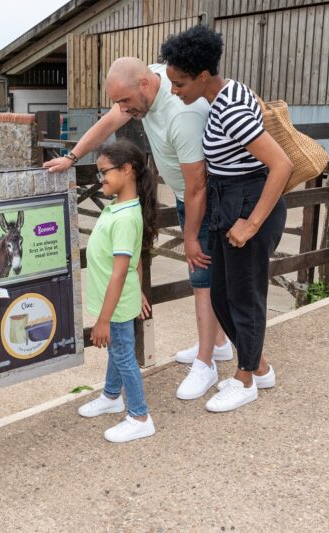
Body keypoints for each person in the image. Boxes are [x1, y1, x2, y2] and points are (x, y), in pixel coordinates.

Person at [45, 57, 232, 402]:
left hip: (203, 197)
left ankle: (206, 364)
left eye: (125, 102)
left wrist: (190, 236)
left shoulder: (182, 115)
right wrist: (72, 157)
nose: (121, 109)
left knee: (202, 277)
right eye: (118, 101)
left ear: (144, 86)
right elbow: (108, 121)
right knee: (200, 276)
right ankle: (217, 343)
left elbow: (198, 186)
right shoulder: (144, 88)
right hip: (184, 192)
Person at [162, 25, 292, 412]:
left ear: (203, 76)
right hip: (229, 200)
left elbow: (280, 165)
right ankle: (260, 367)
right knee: (221, 294)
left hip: (248, 202)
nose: (174, 91)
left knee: (244, 297)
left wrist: (250, 223)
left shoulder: (230, 107)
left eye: (179, 83)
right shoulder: (228, 91)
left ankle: (246, 379)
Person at [77, 139, 158, 443]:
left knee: (124, 355)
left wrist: (102, 320)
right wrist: (138, 291)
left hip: (115, 306)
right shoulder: (118, 207)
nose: (101, 180)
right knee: (118, 351)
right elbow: (134, 259)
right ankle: (112, 396)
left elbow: (121, 270)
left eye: (105, 172)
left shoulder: (124, 217)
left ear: (127, 171)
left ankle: (139, 415)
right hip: (116, 301)